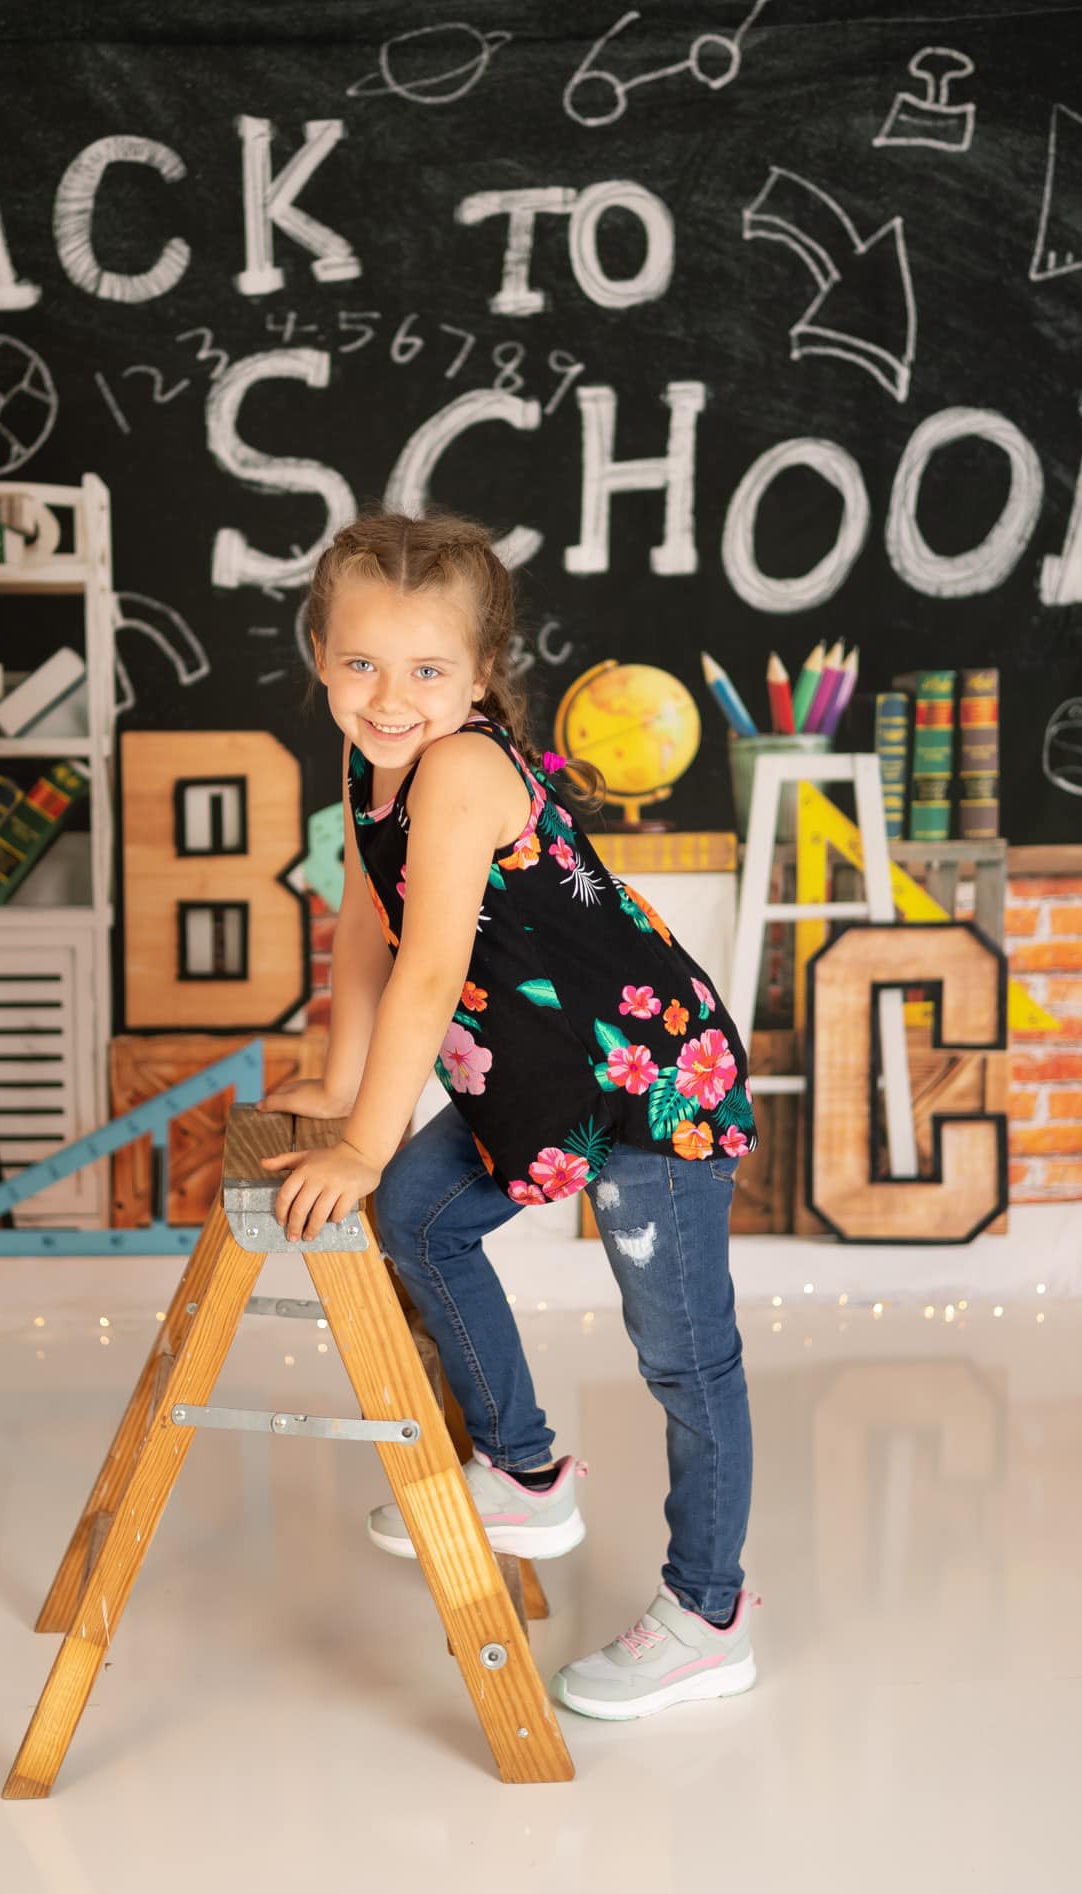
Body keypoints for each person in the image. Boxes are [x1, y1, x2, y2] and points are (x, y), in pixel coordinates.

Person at [259, 507, 763, 1723]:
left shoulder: (463, 767)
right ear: (319, 653)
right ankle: (528, 1468)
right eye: (361, 663)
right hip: (540, 1078)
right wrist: (338, 1084)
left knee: (685, 1356)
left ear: (481, 676)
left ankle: (708, 1613)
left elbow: (433, 972)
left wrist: (363, 1139)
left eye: (427, 670)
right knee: (423, 1216)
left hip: (646, 1078)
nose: (389, 696)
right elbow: (369, 933)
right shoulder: (369, 761)